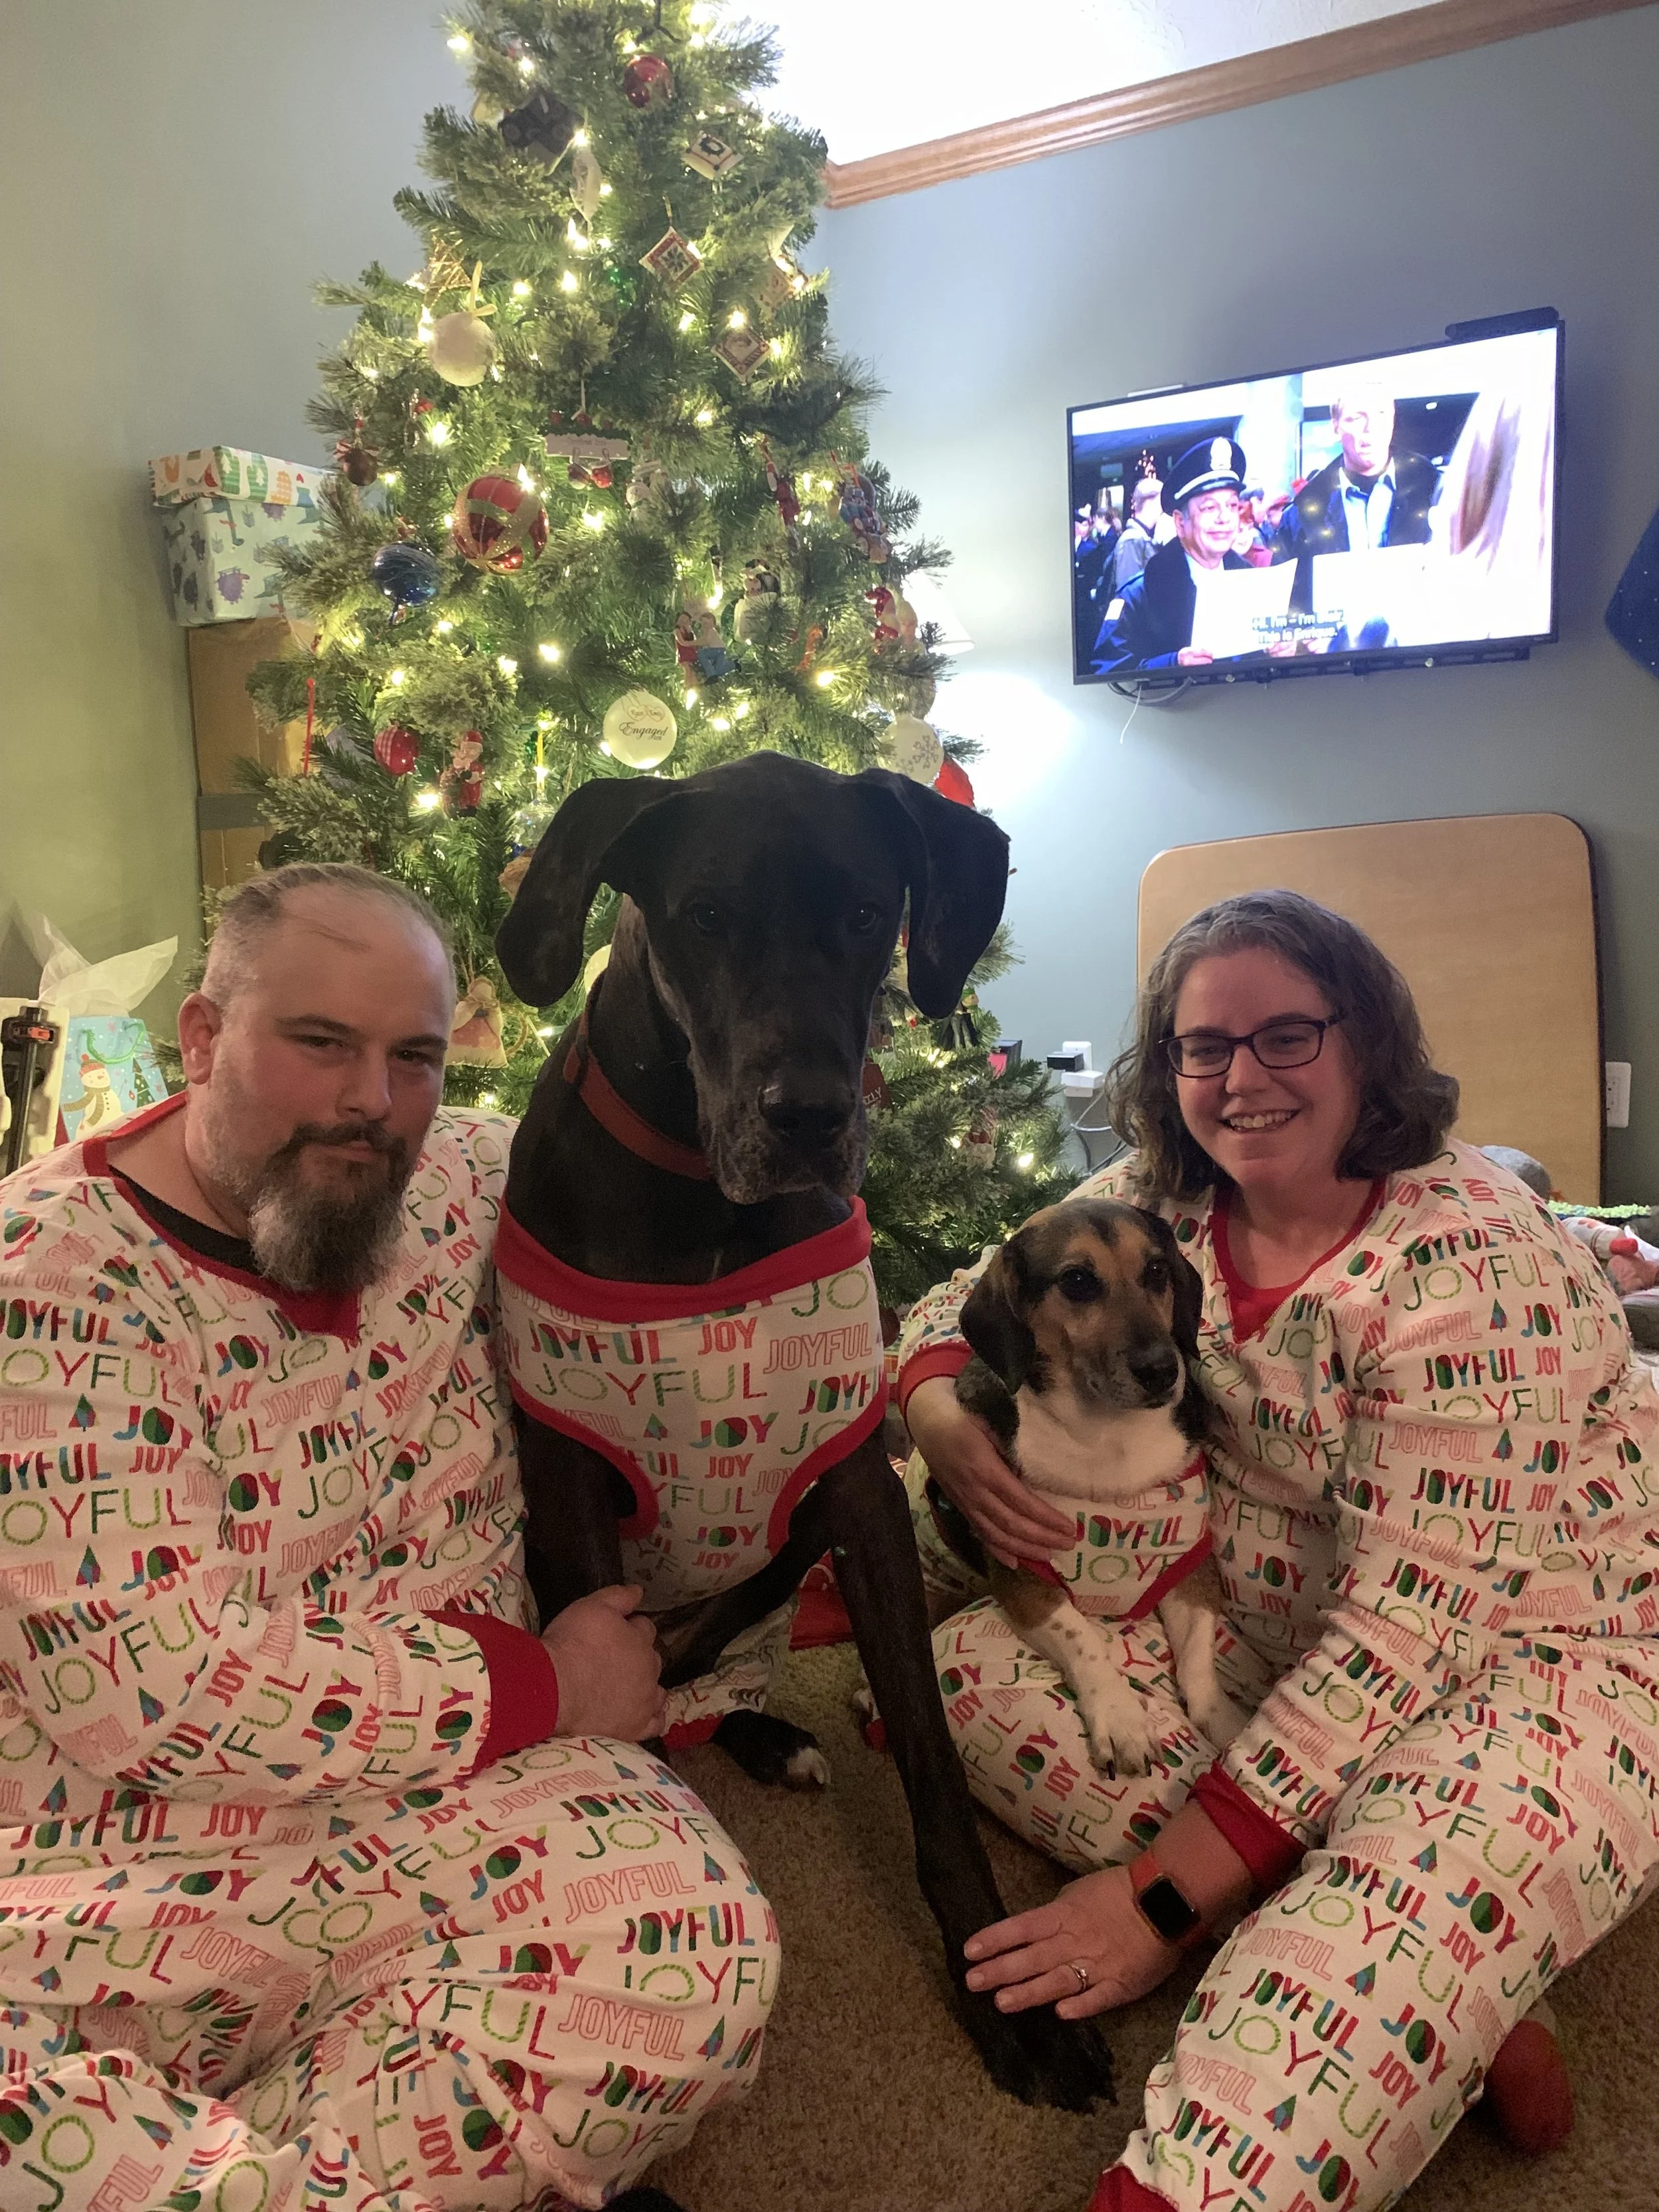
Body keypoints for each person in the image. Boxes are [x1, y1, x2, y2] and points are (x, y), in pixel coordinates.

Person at [0, 863, 778, 2212]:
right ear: (200, 1037)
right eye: (319, 1043)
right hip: (120, 1843)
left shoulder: (468, 1174)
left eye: (412, 1055)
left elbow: (720, 1176)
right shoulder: (50, 1277)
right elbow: (141, 1687)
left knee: (702, 1957)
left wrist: (937, 1390)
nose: (371, 1096)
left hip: (471, 1799)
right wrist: (546, 1683)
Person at [899, 889, 1659, 2212]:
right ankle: (1447, 2002)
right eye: (1203, 1047)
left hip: (1547, 1657)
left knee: (1371, 1920)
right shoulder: (1161, 1195)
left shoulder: (1472, 1265)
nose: (1240, 1078)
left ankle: (1385, 1966)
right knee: (962, 1673)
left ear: (1365, 1043)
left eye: (1287, 1035)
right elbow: (954, 1291)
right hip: (1265, 1614)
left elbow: (1396, 1643)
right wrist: (936, 1413)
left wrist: (1145, 1900)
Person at [1091, 440, 1254, 674]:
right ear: (1180, 522)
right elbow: (1106, 670)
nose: (1224, 518)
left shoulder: (1254, 582)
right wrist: (1172, 663)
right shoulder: (1137, 595)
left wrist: (1285, 650)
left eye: (1232, 505)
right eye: (1209, 508)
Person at [1272, 382, 1438, 601]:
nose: (1370, 427)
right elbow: (1286, 602)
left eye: (1380, 415)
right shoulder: (1301, 515)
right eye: (1356, 418)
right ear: (1335, 428)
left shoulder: (1435, 492)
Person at [1111, 476, 1165, 595]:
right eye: (1162, 500)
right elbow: (1129, 591)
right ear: (1149, 502)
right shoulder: (1131, 540)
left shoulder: (1143, 537)